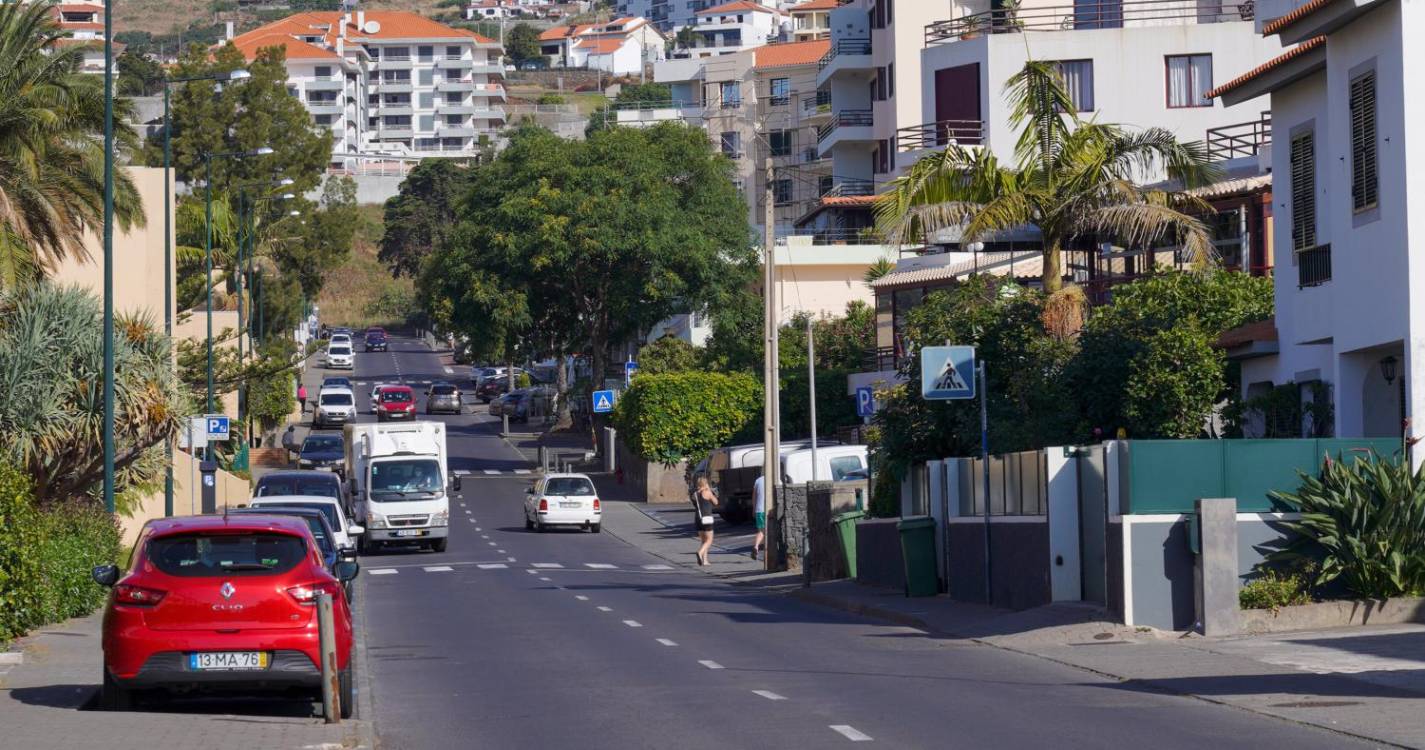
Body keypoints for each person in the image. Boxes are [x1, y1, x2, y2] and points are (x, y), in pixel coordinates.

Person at [692, 476, 719, 567]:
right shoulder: (707, 492)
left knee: (703, 541)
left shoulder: (694, 494)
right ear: (705, 483)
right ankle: (699, 552)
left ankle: (705, 560)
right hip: (706, 518)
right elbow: (716, 502)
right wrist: (710, 491)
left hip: (698, 519)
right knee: (709, 540)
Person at [751, 473, 766, 561]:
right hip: (768, 509)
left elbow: (754, 497)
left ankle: (756, 547)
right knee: (768, 533)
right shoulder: (776, 478)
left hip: (759, 510)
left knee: (761, 531)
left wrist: (754, 508)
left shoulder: (758, 480)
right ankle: (766, 556)